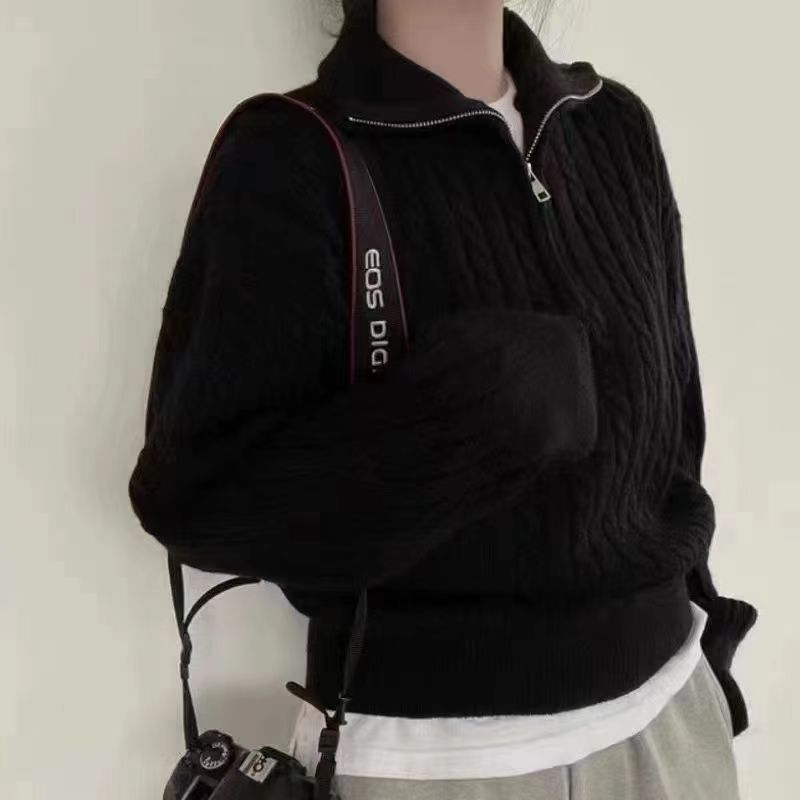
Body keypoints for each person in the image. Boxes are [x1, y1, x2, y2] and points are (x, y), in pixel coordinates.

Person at [127, 0, 759, 797]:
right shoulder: (292, 155)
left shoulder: (614, 125)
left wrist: (710, 645)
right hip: (438, 762)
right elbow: (195, 501)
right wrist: (464, 421)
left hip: (672, 724)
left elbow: (677, 438)